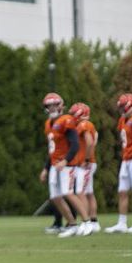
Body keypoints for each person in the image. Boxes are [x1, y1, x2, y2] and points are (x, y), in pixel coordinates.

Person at [38, 93, 89, 237]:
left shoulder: (67, 120)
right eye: (49, 105)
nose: (52, 108)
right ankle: (72, 224)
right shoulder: (48, 124)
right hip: (55, 164)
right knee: (55, 197)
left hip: (66, 164)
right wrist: (46, 168)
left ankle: (87, 222)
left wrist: (66, 160)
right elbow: (52, 150)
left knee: (68, 193)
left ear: (61, 105)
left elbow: (75, 144)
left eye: (55, 104)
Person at [106, 93, 132, 233]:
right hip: (126, 158)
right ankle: (122, 222)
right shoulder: (123, 120)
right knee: (122, 191)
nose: (121, 110)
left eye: (123, 106)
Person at [70, 103, 101, 233]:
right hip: (87, 163)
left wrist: (87, 159)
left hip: (86, 164)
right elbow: (95, 138)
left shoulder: (84, 125)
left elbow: (89, 142)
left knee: (80, 192)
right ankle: (93, 222)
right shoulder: (87, 125)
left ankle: (86, 221)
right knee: (88, 193)